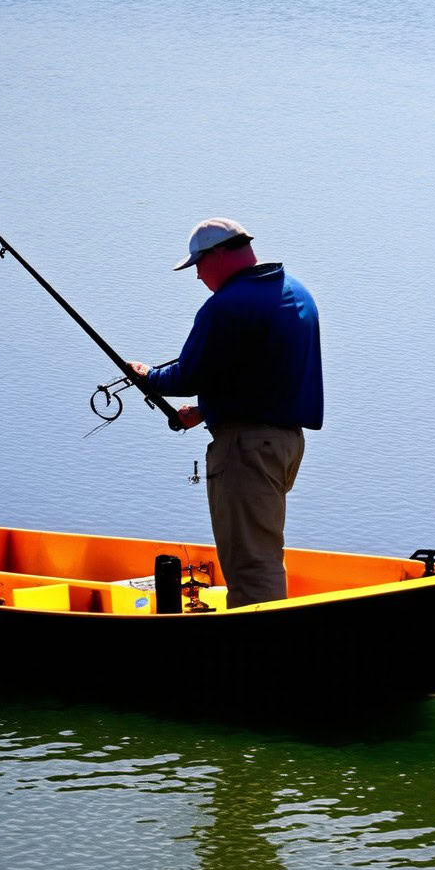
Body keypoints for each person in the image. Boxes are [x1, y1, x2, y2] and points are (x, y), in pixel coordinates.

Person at [129, 218, 323, 607]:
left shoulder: (226, 306)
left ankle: (253, 654)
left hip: (246, 451)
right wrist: (206, 409)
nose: (198, 275)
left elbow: (187, 375)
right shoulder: (295, 292)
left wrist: (147, 375)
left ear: (218, 254)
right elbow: (266, 370)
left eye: (198, 264)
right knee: (264, 553)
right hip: (285, 445)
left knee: (251, 565)